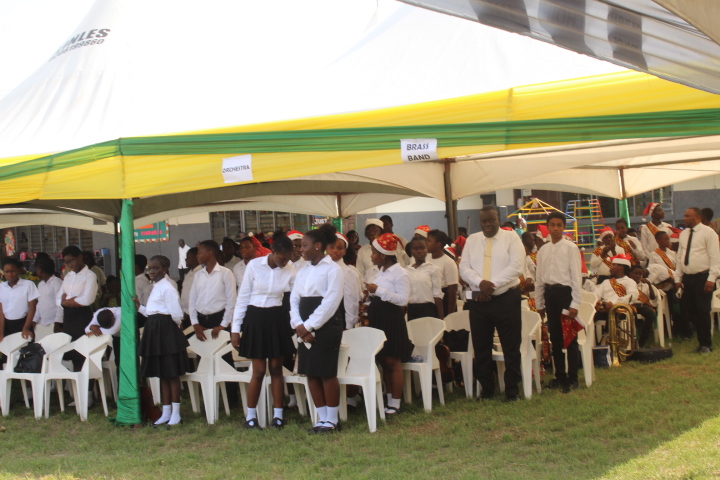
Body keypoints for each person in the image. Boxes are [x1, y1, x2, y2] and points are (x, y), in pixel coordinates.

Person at [459, 206, 525, 401]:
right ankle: (487, 390)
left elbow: (516, 266)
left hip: (506, 297)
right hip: (479, 298)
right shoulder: (472, 240)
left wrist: (492, 284)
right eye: (484, 221)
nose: (487, 224)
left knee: (511, 345)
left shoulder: (511, 238)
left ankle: (512, 390)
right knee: (481, 346)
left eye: (491, 220)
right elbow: (464, 268)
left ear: (498, 219)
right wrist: (480, 284)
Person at [231, 235, 296, 430]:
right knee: (258, 370)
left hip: (277, 317)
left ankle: (278, 416)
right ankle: (251, 417)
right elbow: (243, 297)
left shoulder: (290, 269)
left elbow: (295, 298)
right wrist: (235, 329)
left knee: (276, 368)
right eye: (282, 258)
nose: (285, 262)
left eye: (288, 258)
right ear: (273, 252)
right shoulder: (254, 265)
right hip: (255, 317)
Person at [290, 224, 345, 433]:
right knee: (310, 372)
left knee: (326, 372)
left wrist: (309, 326)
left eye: (304, 245)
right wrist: (298, 325)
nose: (301, 249)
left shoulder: (333, 269)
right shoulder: (302, 270)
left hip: (325, 325)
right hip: (303, 325)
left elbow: (331, 302)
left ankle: (332, 419)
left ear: (318, 246)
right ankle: (322, 418)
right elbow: (294, 299)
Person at [136, 255, 189, 427]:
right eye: (149, 268)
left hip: (166, 332)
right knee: (163, 374)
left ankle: (176, 413)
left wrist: (168, 328)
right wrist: (140, 307)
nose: (151, 271)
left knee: (171, 374)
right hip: (154, 328)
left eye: (155, 268)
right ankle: (166, 412)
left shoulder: (167, 287)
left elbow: (176, 314)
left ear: (165, 269)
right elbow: (153, 311)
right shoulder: (155, 286)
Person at [534, 212, 583, 393]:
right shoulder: (543, 250)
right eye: (552, 225)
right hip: (550, 294)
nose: (555, 229)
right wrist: (539, 304)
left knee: (570, 337)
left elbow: (576, 277)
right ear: (547, 227)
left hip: (565, 294)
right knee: (555, 337)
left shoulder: (571, 248)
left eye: (559, 225)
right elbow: (539, 279)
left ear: (564, 227)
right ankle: (560, 376)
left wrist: (575, 303)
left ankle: (573, 378)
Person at [366, 233, 412, 415]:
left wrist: (379, 291)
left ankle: (396, 402)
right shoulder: (381, 272)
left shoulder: (400, 273)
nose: (371, 256)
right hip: (379, 318)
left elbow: (403, 299)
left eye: (374, 252)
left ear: (383, 255)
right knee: (384, 360)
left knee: (393, 360)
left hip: (391, 319)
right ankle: (389, 398)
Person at [675, 207, 720, 352]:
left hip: (704, 277)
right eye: (684, 216)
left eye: (688, 216)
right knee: (691, 310)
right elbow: (680, 257)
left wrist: (711, 278)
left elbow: (715, 257)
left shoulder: (708, 232)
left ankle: (706, 344)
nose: (685, 218)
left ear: (698, 217)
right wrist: (678, 278)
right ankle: (701, 342)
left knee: (702, 310)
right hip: (688, 277)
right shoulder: (684, 234)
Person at [57, 246, 98, 371]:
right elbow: (58, 299)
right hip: (68, 317)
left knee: (82, 352)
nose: (70, 265)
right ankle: (75, 379)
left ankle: (86, 382)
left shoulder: (90, 275)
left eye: (72, 261)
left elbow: (88, 299)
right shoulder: (68, 276)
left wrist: (68, 301)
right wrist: (67, 302)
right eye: (67, 262)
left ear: (80, 257)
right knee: (71, 350)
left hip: (82, 317)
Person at [190, 240, 237, 341]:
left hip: (219, 320)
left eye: (200, 252)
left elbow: (231, 301)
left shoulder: (226, 273)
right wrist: (195, 323)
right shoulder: (198, 275)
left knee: (221, 350)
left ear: (210, 253)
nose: (197, 256)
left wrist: (223, 325)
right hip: (201, 321)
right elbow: (192, 300)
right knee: (202, 350)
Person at [592, 254, 639, 328]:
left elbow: (632, 296)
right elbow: (595, 296)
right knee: (590, 315)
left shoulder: (630, 282)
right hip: (604, 309)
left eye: (613, 265)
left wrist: (614, 304)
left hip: (621, 309)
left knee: (612, 315)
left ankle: (609, 335)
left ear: (620, 267)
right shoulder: (606, 282)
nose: (610, 267)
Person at [326, 233, 361, 330]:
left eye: (340, 248)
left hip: (340, 316)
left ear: (345, 251)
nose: (335, 250)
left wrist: (350, 324)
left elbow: (352, 300)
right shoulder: (320, 269)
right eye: (332, 247)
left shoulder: (348, 272)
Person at [404, 237, 443, 320]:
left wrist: (441, 318)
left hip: (428, 309)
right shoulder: (406, 270)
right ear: (411, 250)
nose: (419, 251)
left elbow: (437, 294)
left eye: (422, 248)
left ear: (427, 249)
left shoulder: (433, 269)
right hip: (411, 309)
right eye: (416, 249)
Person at [0, 258, 39, 340]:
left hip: (24, 323)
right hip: (7, 326)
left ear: (18, 270)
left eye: (13, 271)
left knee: (26, 347)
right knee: (8, 347)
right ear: (3, 273)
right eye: (7, 272)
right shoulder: (1, 287)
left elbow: (32, 308)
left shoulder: (28, 285)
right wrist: (1, 334)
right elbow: (1, 312)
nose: (10, 274)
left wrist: (26, 328)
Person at [426, 229, 458, 317]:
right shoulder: (426, 258)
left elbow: (452, 290)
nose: (426, 243)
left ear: (438, 244)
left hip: (444, 299)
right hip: (429, 297)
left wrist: (450, 314)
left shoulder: (448, 262)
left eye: (429, 241)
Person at [32, 257, 63, 341]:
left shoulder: (56, 282)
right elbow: (39, 304)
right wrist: (34, 320)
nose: (36, 271)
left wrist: (58, 323)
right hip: (43, 323)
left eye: (37, 268)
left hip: (55, 323)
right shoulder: (40, 285)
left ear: (42, 269)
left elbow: (60, 304)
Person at [628, 265, 657, 348]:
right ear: (630, 274)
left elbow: (652, 297)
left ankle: (642, 341)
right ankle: (633, 340)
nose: (638, 276)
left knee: (651, 314)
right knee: (632, 316)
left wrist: (649, 284)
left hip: (642, 305)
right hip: (631, 305)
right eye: (636, 273)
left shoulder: (644, 285)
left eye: (640, 274)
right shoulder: (626, 284)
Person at [357, 219, 385, 284]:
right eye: (369, 231)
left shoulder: (387, 249)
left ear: (382, 232)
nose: (372, 233)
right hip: (368, 286)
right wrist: (365, 286)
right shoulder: (362, 251)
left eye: (375, 231)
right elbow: (360, 272)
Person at [179, 247, 200, 327]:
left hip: (196, 313)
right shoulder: (189, 273)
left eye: (188, 257)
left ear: (196, 258)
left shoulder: (200, 273)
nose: (186, 259)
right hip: (186, 313)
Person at [135, 255, 153, 329]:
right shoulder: (136, 280)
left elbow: (147, 300)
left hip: (141, 314)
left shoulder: (143, 281)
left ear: (136, 266)